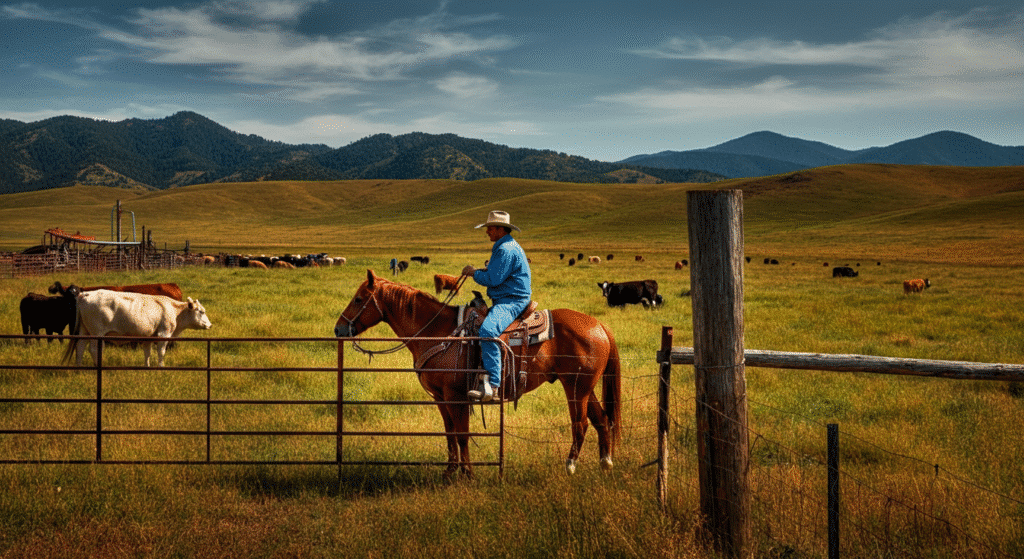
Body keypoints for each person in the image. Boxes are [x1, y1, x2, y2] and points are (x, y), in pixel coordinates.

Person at [461, 210, 532, 402]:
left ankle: (493, 386)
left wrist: (473, 273)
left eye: (490, 228)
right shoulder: (505, 246)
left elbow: (493, 278)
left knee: (487, 330)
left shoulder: (505, 249)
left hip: (511, 301)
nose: (487, 232)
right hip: (508, 298)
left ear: (501, 229)